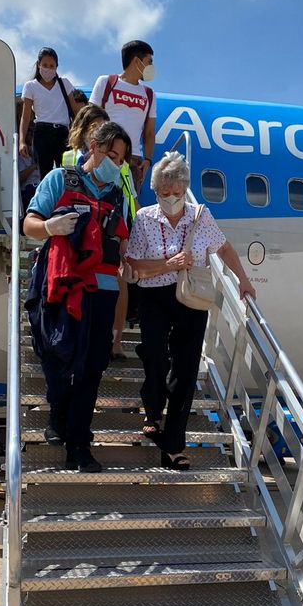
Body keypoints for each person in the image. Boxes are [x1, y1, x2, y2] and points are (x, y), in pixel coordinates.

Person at [126, 152, 256, 469]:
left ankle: (173, 446)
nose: (171, 199)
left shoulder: (199, 215)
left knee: (184, 373)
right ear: (155, 191)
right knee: (155, 356)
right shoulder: (144, 218)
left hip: (191, 298)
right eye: (164, 193)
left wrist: (243, 279)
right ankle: (153, 408)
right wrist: (167, 264)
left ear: (184, 189)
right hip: (154, 296)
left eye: (176, 193)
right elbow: (132, 264)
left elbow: (223, 247)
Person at [23, 121, 132, 472]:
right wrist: (50, 228)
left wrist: (130, 261)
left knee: (90, 369)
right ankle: (57, 413)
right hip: (60, 282)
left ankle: (79, 443)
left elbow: (124, 241)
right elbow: (29, 225)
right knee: (56, 355)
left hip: (102, 288)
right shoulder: (60, 179)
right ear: (94, 147)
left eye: (122, 159)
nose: (116, 164)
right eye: (112, 155)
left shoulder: (116, 196)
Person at [62, 103, 137, 360]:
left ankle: (116, 340)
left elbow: (127, 193)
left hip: (115, 218)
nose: (100, 130)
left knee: (119, 281)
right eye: (95, 127)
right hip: (82, 222)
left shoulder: (118, 162)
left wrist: (125, 228)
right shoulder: (70, 160)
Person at [90, 40, 156, 193]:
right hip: (105, 152)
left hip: (133, 158)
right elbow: (91, 118)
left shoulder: (149, 94)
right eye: (149, 62)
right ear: (136, 61)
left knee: (127, 209)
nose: (151, 67)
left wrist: (147, 159)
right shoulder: (106, 82)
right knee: (95, 200)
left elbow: (149, 132)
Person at [20, 47, 83, 179]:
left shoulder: (64, 83)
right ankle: (48, 199)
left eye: (52, 66)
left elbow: (77, 112)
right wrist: (22, 141)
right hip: (42, 132)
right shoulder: (30, 86)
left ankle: (64, 199)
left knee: (67, 173)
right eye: (45, 65)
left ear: (56, 67)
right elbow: (25, 118)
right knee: (46, 174)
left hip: (63, 133)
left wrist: (81, 134)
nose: (48, 69)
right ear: (38, 65)